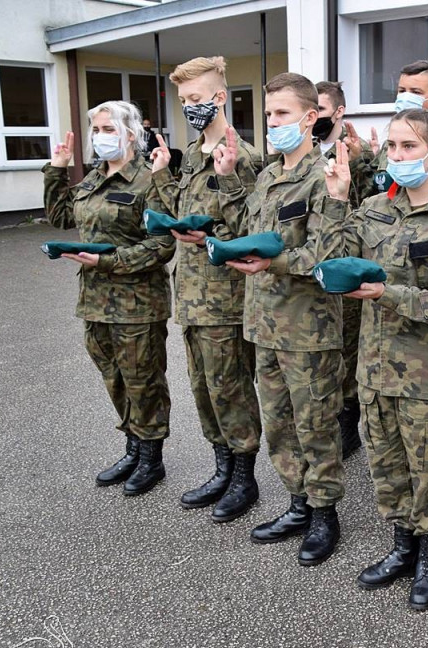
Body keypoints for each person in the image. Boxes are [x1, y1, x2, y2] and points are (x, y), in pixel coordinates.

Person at [341, 110, 428, 611]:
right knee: (387, 465)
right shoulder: (373, 208)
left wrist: (387, 294)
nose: (396, 156)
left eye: (408, 146)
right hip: (373, 369)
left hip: (424, 372)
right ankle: (402, 546)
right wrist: (337, 201)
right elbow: (333, 260)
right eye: (392, 147)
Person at [216, 73, 350, 566]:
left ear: (311, 118)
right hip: (264, 323)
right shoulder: (269, 176)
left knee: (314, 424)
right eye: (269, 114)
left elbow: (328, 256)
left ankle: (324, 514)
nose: (273, 123)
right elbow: (244, 232)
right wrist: (230, 179)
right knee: (278, 425)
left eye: (282, 115)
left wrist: (270, 262)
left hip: (307, 328)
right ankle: (297, 502)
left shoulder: (326, 176)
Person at [147, 56, 264, 522]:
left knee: (230, 387)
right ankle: (222, 467)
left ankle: (244, 478)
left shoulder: (245, 156)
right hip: (192, 296)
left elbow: (252, 228)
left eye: (196, 99)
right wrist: (160, 175)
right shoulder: (193, 153)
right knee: (203, 388)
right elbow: (178, 209)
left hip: (226, 297)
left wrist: (213, 232)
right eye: (183, 101)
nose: (189, 107)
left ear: (220, 97)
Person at [42, 100, 175, 496]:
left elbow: (163, 243)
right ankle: (133, 447)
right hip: (95, 302)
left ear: (130, 134)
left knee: (143, 381)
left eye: (107, 129)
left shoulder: (150, 180)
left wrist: (107, 260)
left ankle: (152, 457)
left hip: (138, 304)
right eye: (95, 130)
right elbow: (62, 217)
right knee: (114, 378)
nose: (99, 137)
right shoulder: (92, 179)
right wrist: (57, 170)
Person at [315, 80, 372, 460]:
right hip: (315, 264)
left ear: (338, 112)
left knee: (348, 349)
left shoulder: (359, 156)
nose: (313, 118)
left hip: (349, 262)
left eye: (320, 110)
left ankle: (349, 422)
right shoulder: (301, 155)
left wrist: (361, 161)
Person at [358, 60, 428, 199]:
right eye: (402, 91)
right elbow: (375, 186)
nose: (406, 97)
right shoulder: (394, 137)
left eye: (415, 92)